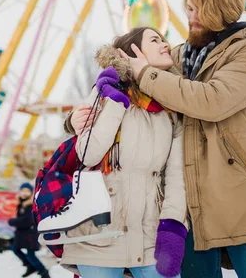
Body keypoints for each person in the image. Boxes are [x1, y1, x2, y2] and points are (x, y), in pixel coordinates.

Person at [69, 0, 246, 278]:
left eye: (195, 7)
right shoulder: (179, 57)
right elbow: (127, 87)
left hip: (239, 199)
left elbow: (212, 101)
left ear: (217, 5)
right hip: (190, 206)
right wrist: (77, 118)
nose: (189, 16)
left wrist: (145, 73)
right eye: (188, 7)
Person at [60, 27, 187, 278]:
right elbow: (88, 154)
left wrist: (173, 227)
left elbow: (176, 177)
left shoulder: (173, 107)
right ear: (132, 51)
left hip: (150, 236)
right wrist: (116, 103)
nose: (165, 45)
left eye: (164, 40)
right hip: (99, 235)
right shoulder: (105, 91)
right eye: (155, 40)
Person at [8, 183, 50, 278]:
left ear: (31, 193)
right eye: (23, 190)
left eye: (27, 191)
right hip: (23, 233)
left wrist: (13, 221)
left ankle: (43, 272)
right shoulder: (21, 204)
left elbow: (27, 220)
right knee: (16, 249)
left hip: (30, 233)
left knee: (30, 254)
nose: (24, 193)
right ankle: (31, 266)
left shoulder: (31, 204)